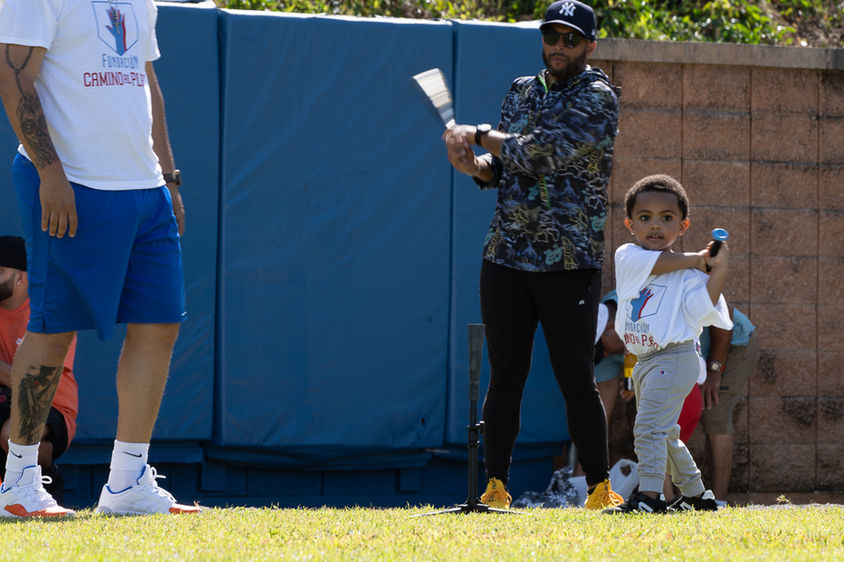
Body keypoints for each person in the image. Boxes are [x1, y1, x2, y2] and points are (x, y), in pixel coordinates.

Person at [0, 0, 199, 516]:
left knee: (159, 324)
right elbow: (13, 74)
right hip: (72, 182)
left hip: (145, 186)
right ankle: (18, 482)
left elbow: (146, 84)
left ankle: (128, 481)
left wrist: (169, 179)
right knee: (52, 326)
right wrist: (50, 173)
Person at [442, 0, 624, 510]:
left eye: (571, 39)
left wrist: (479, 135)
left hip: (568, 260)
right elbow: (504, 169)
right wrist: (472, 164)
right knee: (506, 376)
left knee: (575, 376)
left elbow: (541, 152)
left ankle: (599, 489)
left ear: (590, 45)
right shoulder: (521, 90)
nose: (559, 47)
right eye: (552, 36)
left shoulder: (598, 96)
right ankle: (496, 488)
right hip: (505, 256)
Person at [604, 174, 732, 514]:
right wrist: (699, 258)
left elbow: (704, 307)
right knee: (664, 434)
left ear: (683, 224)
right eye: (645, 218)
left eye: (667, 218)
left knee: (647, 428)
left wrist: (717, 269)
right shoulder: (628, 255)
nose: (655, 225)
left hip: (675, 357)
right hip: (647, 360)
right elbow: (658, 264)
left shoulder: (692, 275)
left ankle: (649, 497)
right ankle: (696, 496)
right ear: (630, 225)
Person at [0, 236, 78, 504]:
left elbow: (37, 383)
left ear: (21, 278)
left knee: (12, 435)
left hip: (52, 407)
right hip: (5, 397)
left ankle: (46, 481)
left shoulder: (49, 313)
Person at [699, 308, 759, 502]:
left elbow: (724, 316)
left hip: (735, 343)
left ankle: (719, 501)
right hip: (705, 352)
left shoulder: (689, 277)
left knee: (715, 413)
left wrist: (715, 370)